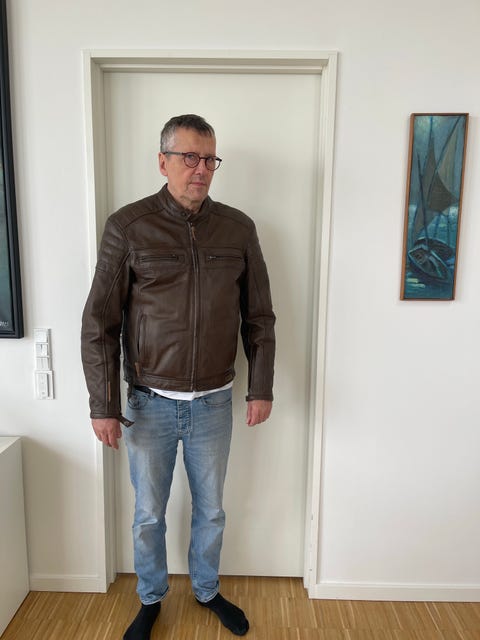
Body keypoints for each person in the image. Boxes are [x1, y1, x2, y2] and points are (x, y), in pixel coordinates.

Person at [81, 114, 275, 639]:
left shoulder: (238, 228)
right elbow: (100, 322)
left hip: (214, 402)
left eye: (209, 158)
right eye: (189, 157)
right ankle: (150, 598)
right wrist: (102, 405)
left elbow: (259, 317)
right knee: (149, 514)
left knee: (211, 511)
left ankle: (207, 590)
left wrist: (260, 387)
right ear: (162, 162)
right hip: (149, 404)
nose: (200, 169)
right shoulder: (129, 227)